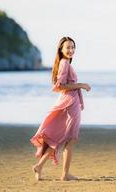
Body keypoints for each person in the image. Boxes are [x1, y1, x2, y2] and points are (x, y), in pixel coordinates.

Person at [30, 36, 91, 181]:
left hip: (69, 102)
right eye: (68, 47)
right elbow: (59, 86)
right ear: (61, 49)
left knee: (60, 138)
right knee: (70, 139)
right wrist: (81, 85)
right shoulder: (64, 63)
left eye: (72, 47)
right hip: (70, 104)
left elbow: (62, 85)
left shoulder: (65, 63)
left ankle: (39, 166)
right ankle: (65, 174)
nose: (71, 50)